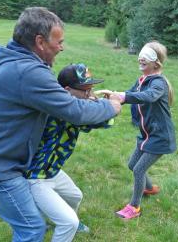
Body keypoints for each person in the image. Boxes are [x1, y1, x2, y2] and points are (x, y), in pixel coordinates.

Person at [0, 7, 122, 241]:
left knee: (30, 220)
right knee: (31, 228)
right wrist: (112, 106)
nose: (62, 47)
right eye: (59, 41)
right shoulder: (28, 72)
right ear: (40, 41)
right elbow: (75, 111)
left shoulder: (18, 64)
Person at [26, 63, 112, 242]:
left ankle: (48, 215)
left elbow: (100, 119)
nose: (89, 94)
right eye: (85, 90)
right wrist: (108, 104)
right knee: (68, 223)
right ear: (67, 90)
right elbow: (101, 120)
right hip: (35, 176)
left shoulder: (74, 106)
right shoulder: (64, 111)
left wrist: (96, 102)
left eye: (91, 89)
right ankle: (48, 219)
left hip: (52, 171)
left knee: (75, 196)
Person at [99, 41, 176, 220]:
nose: (140, 58)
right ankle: (148, 188)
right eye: (140, 54)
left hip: (160, 137)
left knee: (138, 170)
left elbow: (148, 96)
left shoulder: (158, 83)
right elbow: (130, 93)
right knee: (132, 165)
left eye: (146, 55)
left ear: (156, 62)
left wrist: (124, 97)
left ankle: (135, 207)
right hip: (147, 134)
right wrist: (114, 95)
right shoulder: (141, 80)